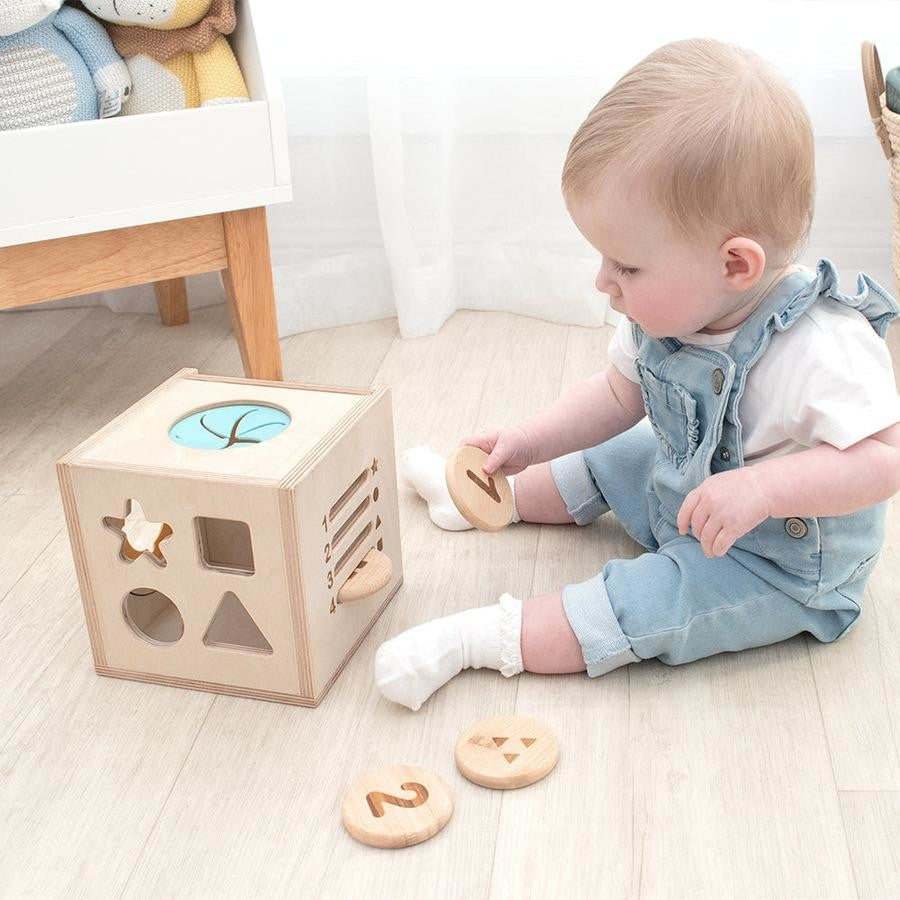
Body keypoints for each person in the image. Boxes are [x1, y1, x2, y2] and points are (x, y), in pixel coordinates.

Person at [374, 38, 900, 711]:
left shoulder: (822, 347)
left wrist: (764, 490)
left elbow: (882, 461)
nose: (605, 282)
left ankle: (479, 638)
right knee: (616, 454)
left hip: (778, 559)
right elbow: (617, 396)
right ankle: (490, 498)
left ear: (735, 265)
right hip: (694, 487)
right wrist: (531, 443)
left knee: (653, 598)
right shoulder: (673, 305)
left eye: (626, 266)